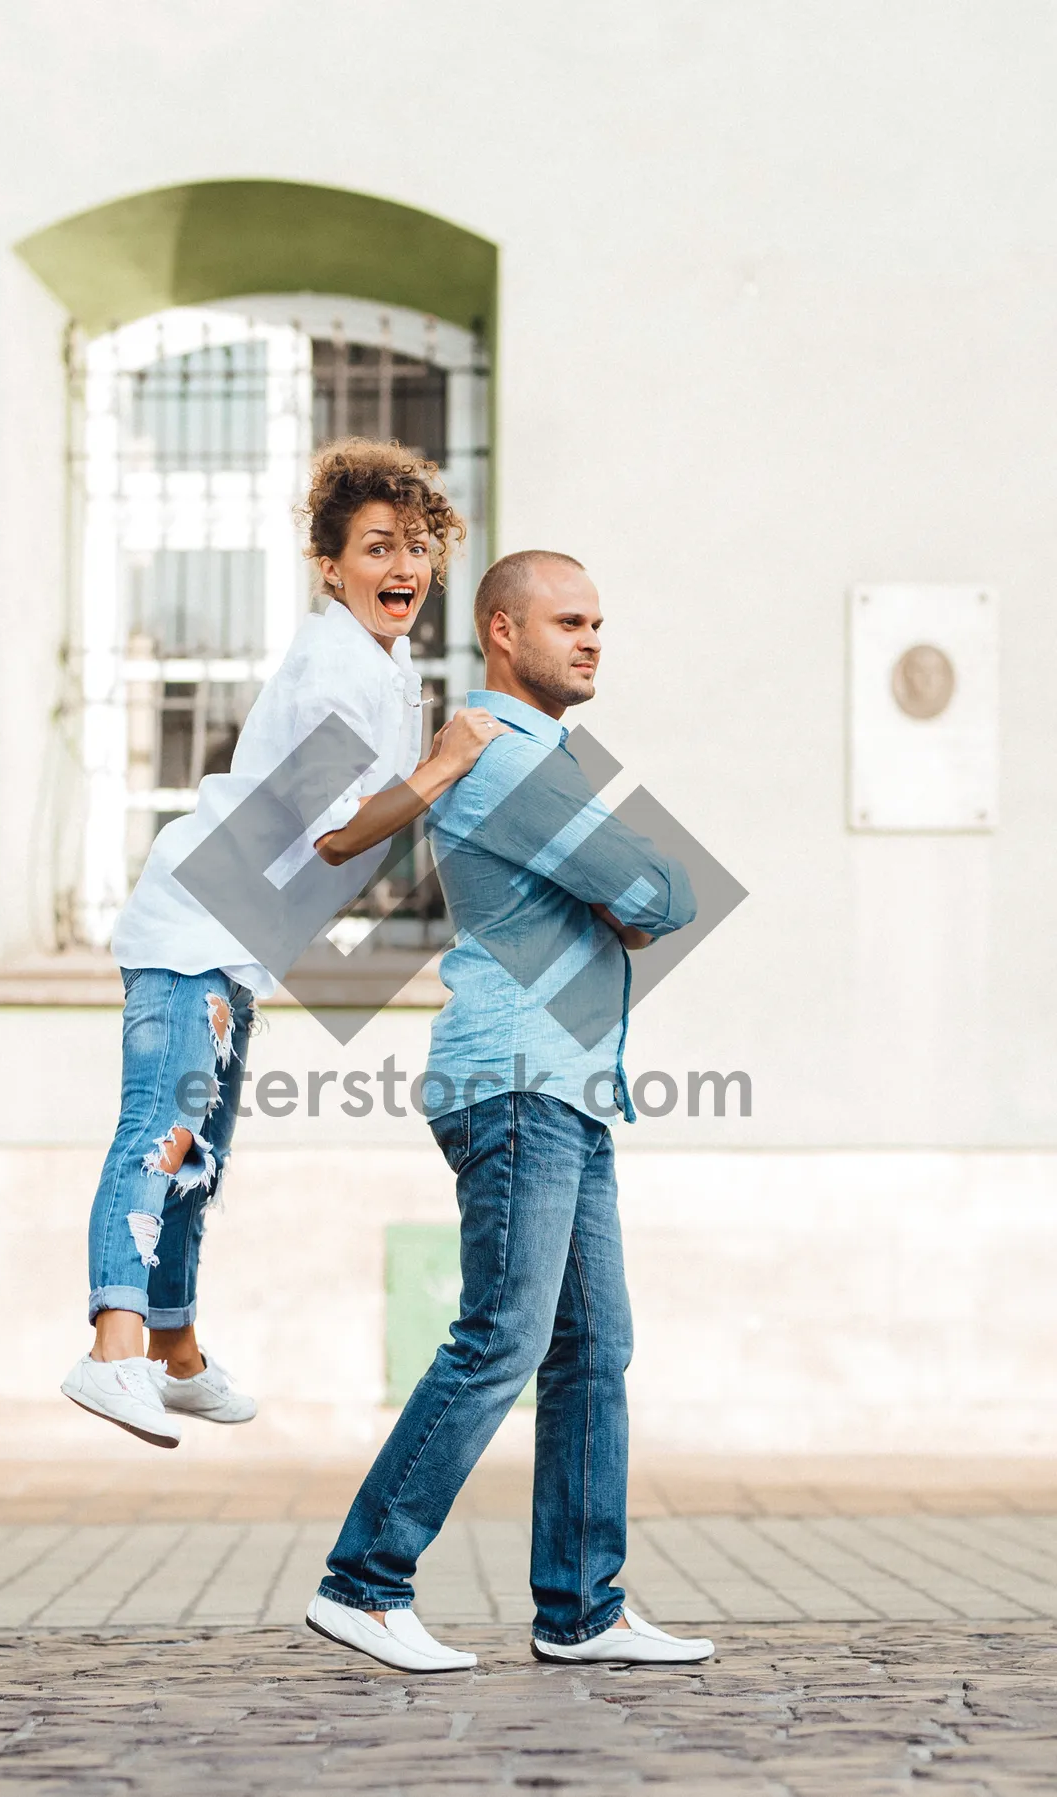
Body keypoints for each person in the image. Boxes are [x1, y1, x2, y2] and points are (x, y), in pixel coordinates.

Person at [307, 550, 716, 1670]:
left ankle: (581, 1609)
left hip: (570, 1083)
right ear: (501, 631)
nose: (591, 640)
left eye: (599, 622)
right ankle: (364, 1580)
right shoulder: (499, 758)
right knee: (505, 1337)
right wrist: (628, 895)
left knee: (593, 1346)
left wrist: (630, 891)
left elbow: (648, 891)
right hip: (520, 1079)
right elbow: (664, 890)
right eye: (568, 621)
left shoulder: (547, 760)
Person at [60, 440, 507, 1448]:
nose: (406, 566)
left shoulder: (384, 666)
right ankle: (111, 1348)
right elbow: (341, 832)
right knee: (160, 1134)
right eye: (379, 546)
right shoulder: (333, 669)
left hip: (233, 938)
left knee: (199, 1161)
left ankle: (172, 1352)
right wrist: (442, 769)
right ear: (331, 565)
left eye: (420, 546)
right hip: (190, 930)